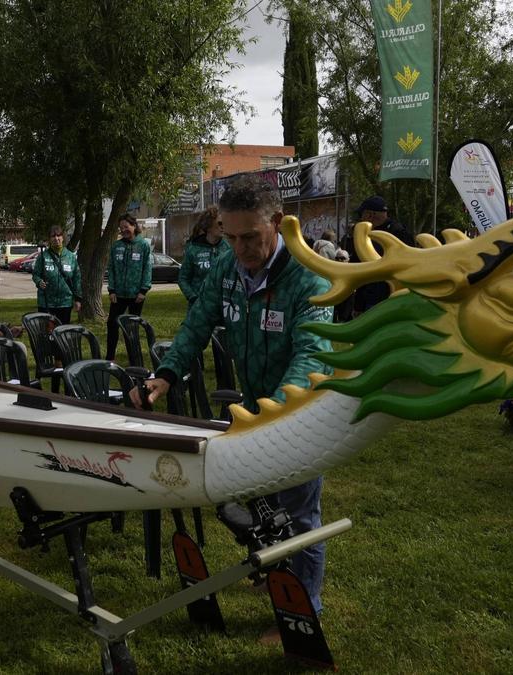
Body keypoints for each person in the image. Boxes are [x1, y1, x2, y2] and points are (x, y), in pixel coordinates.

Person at [131, 173, 334, 628]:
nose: (240, 249)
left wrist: (272, 413)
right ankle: (276, 568)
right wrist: (165, 375)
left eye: (250, 237)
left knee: (300, 516)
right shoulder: (228, 267)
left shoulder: (310, 278)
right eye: (230, 236)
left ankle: (304, 616)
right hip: (256, 408)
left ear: (278, 223)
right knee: (255, 502)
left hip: (301, 413)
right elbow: (197, 323)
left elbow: (312, 356)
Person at [349, 195, 414, 315]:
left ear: (370, 215)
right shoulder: (399, 231)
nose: (361, 219)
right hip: (383, 298)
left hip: (385, 299)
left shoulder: (395, 233)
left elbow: (361, 271)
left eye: (362, 215)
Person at [105, 213, 152, 360]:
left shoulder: (143, 245)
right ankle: (110, 358)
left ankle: (134, 359)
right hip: (118, 295)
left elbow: (147, 269)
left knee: (131, 328)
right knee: (112, 324)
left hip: (136, 296)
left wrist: (143, 290)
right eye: (121, 228)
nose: (123, 230)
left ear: (134, 226)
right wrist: (111, 290)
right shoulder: (116, 246)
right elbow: (111, 268)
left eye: (126, 227)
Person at [178, 206, 230, 306]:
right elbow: (183, 279)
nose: (223, 226)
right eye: (220, 223)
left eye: (225, 223)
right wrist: (192, 297)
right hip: (199, 306)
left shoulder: (228, 248)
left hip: (223, 306)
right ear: (208, 226)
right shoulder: (193, 249)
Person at [31, 226, 82, 324]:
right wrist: (39, 282)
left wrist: (78, 299)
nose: (56, 238)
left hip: (65, 303)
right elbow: (35, 275)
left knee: (62, 331)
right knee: (46, 331)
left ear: (63, 238)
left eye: (58, 235)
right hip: (46, 303)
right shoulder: (43, 256)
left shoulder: (70, 257)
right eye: (53, 236)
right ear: (49, 239)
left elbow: (77, 279)